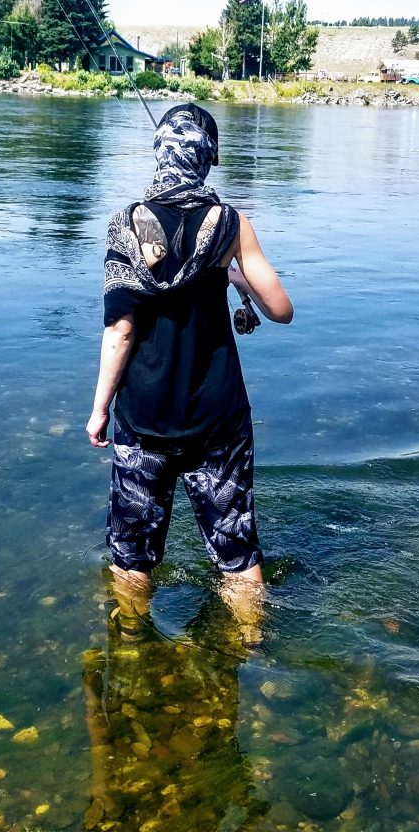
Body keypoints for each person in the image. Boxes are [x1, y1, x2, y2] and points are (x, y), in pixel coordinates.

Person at [86, 103, 293, 607]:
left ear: (160, 155)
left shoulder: (124, 225)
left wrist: (99, 411)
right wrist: (231, 271)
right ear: (207, 158)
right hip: (217, 420)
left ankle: (135, 653)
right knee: (238, 560)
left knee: (130, 560)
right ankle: (247, 652)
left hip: (145, 419)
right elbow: (281, 309)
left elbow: (120, 329)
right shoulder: (229, 224)